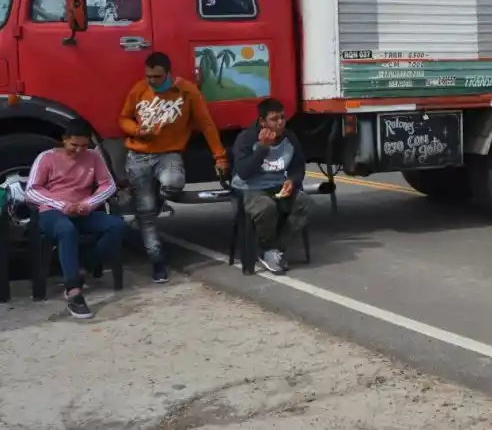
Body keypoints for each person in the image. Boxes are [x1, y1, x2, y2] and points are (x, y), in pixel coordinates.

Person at [119, 52, 229, 283]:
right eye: (148, 76)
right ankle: (157, 262)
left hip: (169, 154)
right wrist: (138, 131)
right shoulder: (139, 89)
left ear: (168, 73)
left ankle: (155, 202)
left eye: (157, 76)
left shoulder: (187, 91)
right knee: (147, 213)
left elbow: (206, 124)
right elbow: (124, 118)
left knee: (173, 184)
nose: (152, 81)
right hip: (138, 155)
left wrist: (220, 156)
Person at [24, 120, 128, 319]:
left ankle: (82, 267)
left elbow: (108, 185)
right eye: (74, 145)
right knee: (66, 229)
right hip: (52, 212)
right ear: (64, 140)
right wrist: (61, 205)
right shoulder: (46, 158)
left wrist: (88, 203)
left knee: (117, 226)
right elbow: (31, 191)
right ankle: (73, 291)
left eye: (84, 145)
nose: (80, 150)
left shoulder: (94, 157)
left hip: (82, 211)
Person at [231, 98, 311, 274]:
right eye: (274, 119)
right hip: (250, 187)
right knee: (266, 207)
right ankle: (269, 249)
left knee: (303, 202)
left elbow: (298, 167)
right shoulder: (246, 139)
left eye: (282, 117)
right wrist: (261, 148)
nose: (280, 122)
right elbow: (243, 172)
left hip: (277, 185)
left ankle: (275, 249)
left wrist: (292, 180)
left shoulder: (290, 138)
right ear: (262, 121)